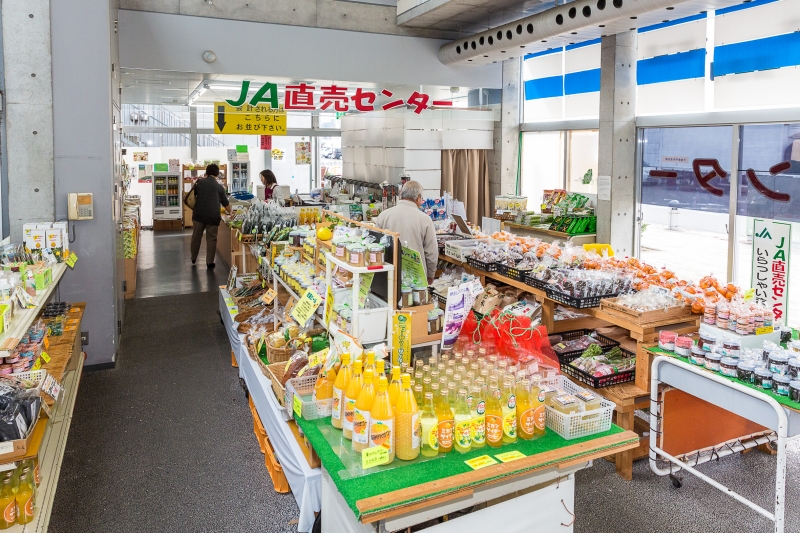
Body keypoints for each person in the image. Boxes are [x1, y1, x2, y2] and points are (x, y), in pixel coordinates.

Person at [374, 180, 437, 285]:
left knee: (389, 299)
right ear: (418, 197)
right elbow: (431, 253)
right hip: (416, 277)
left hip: (388, 273)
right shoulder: (425, 219)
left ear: (401, 195)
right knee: (413, 300)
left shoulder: (384, 215)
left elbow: (375, 246)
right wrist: (431, 274)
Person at [190, 164, 231, 269]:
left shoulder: (199, 183)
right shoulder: (219, 187)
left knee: (196, 237)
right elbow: (225, 203)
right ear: (217, 174)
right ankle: (209, 262)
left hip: (199, 215)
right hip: (213, 216)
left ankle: (193, 257)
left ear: (206, 172)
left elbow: (193, 196)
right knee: (211, 239)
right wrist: (231, 213)